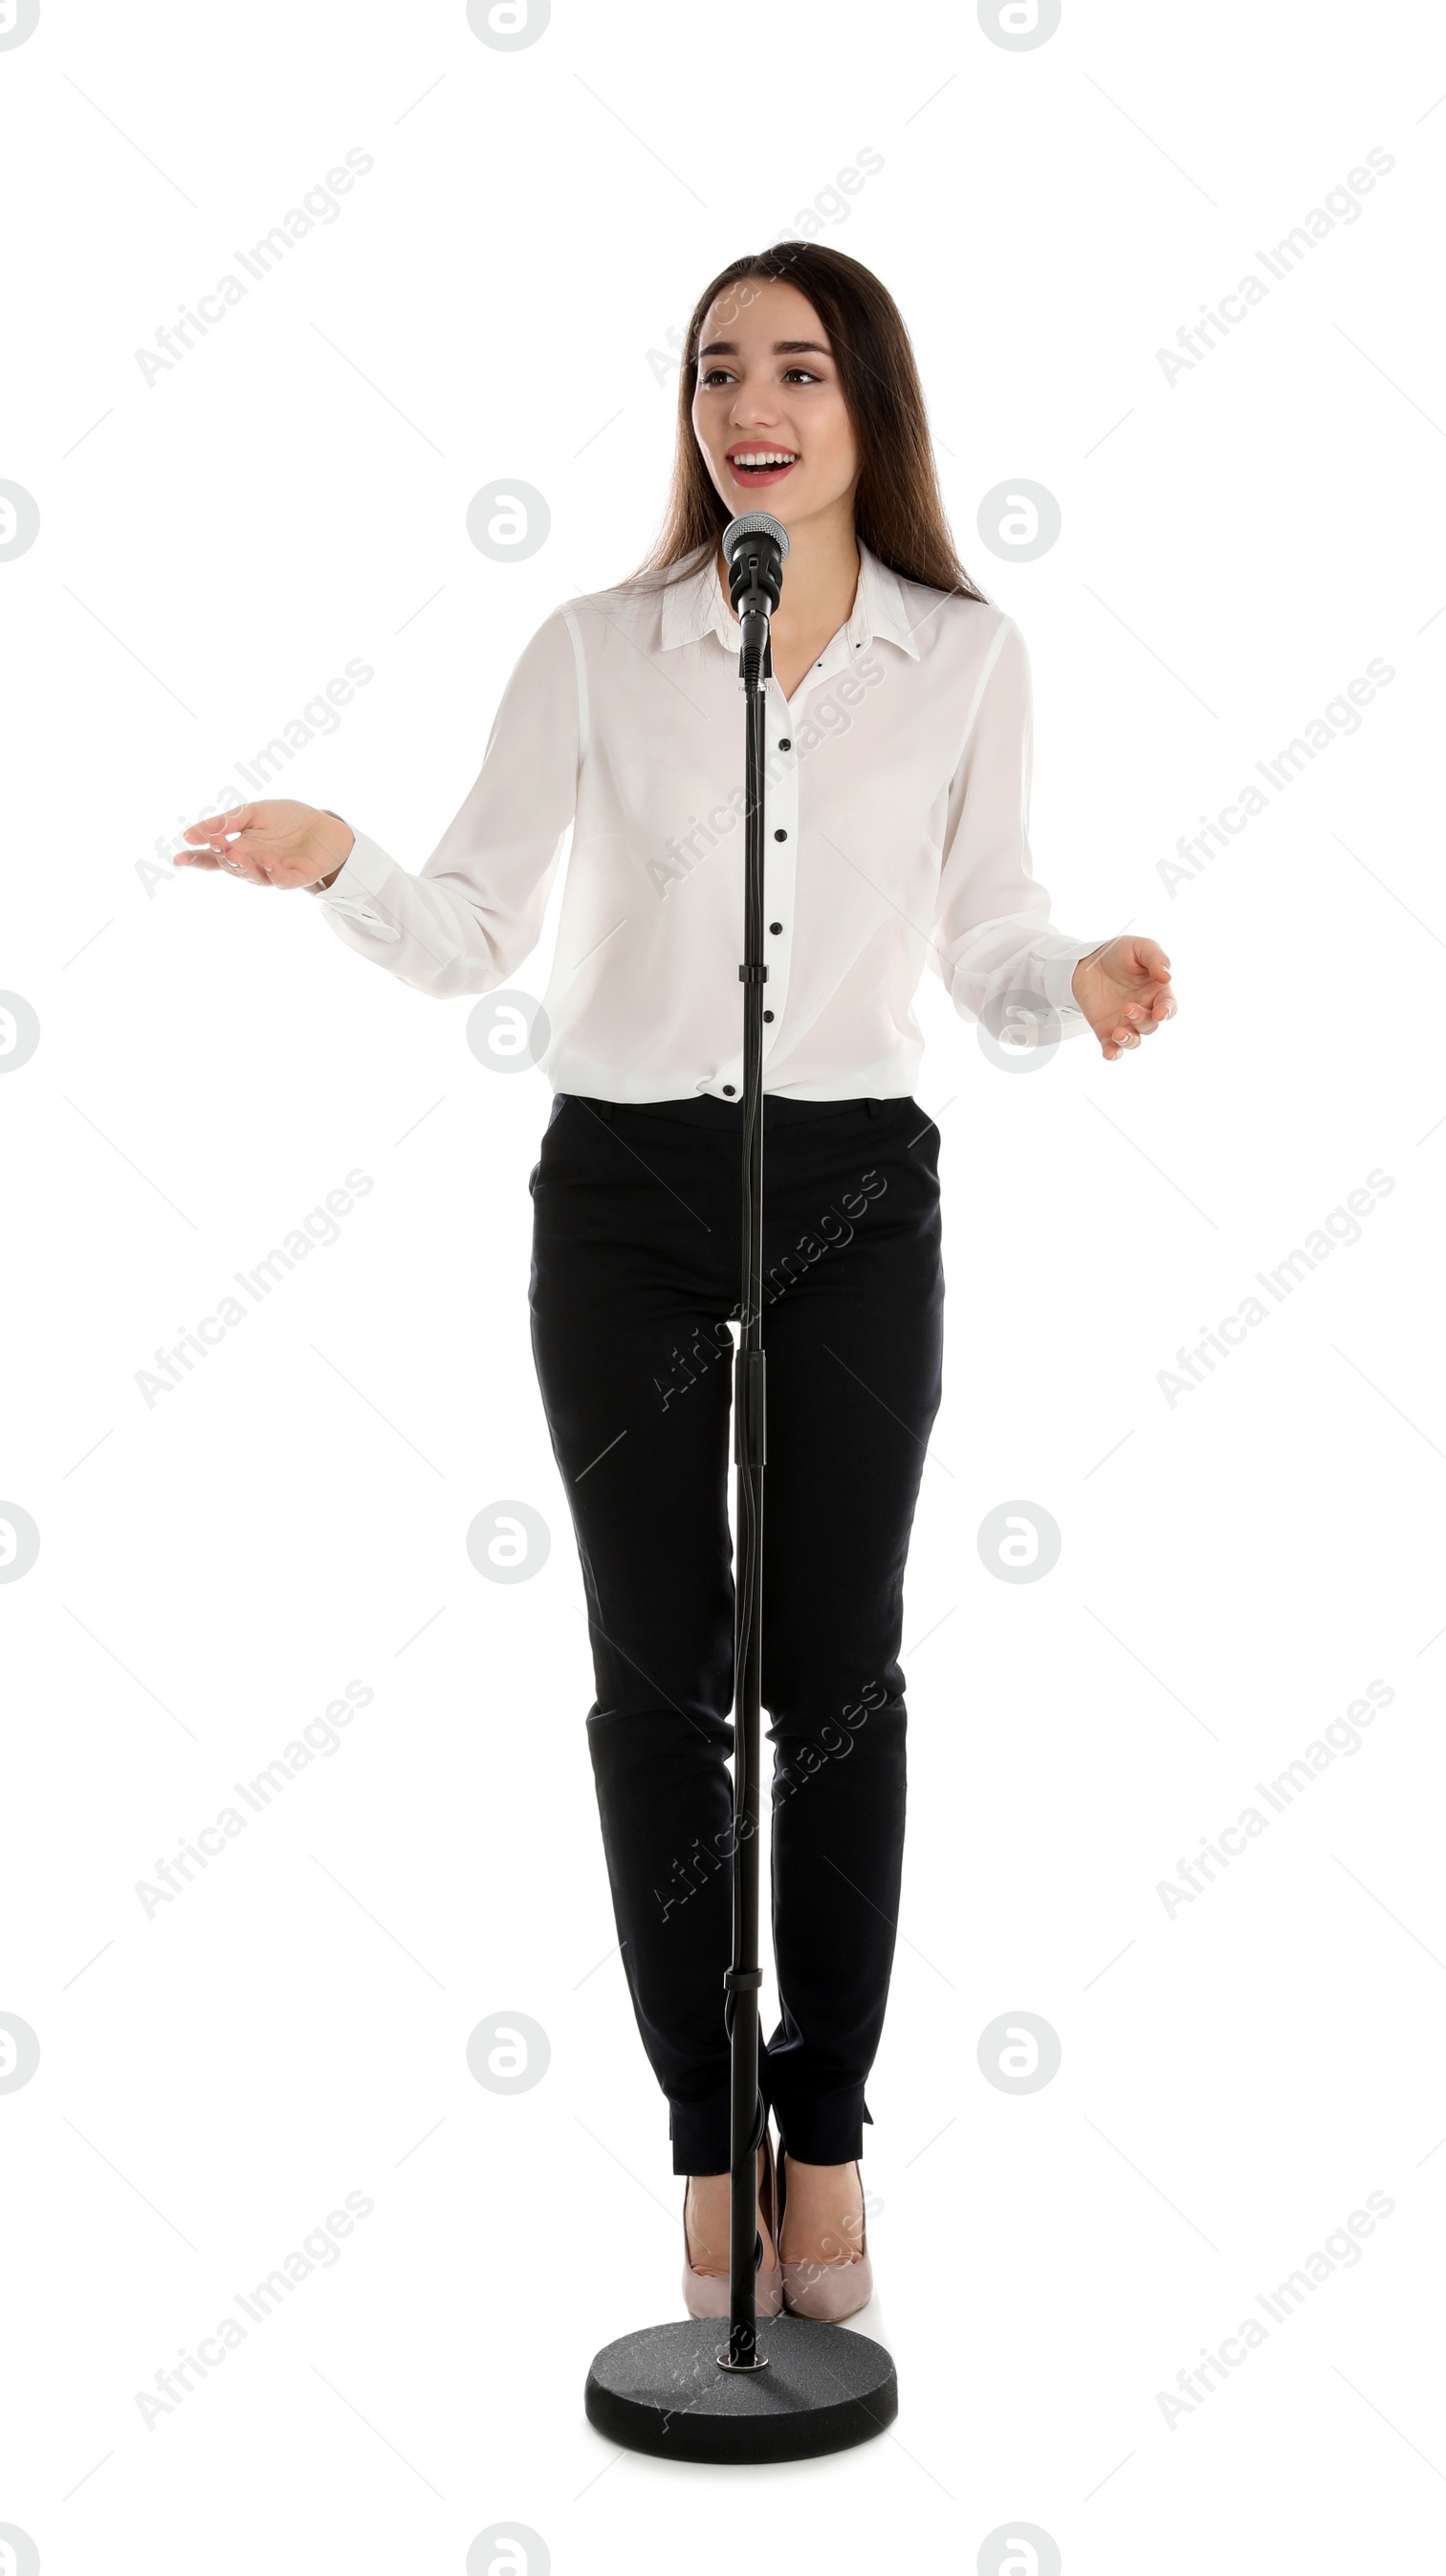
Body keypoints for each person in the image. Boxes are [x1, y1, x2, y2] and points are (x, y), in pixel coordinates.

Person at [176, 241, 1177, 2324]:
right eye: (719, 368)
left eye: (797, 370)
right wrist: (339, 856)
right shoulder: (597, 645)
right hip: (624, 1186)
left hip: (848, 1187)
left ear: (866, 409)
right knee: (660, 1680)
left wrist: (1073, 981)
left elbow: (990, 939)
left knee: (834, 1678)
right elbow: (468, 927)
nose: (751, 405)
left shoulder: (966, 658)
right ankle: (702, 2146)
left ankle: (826, 2140)